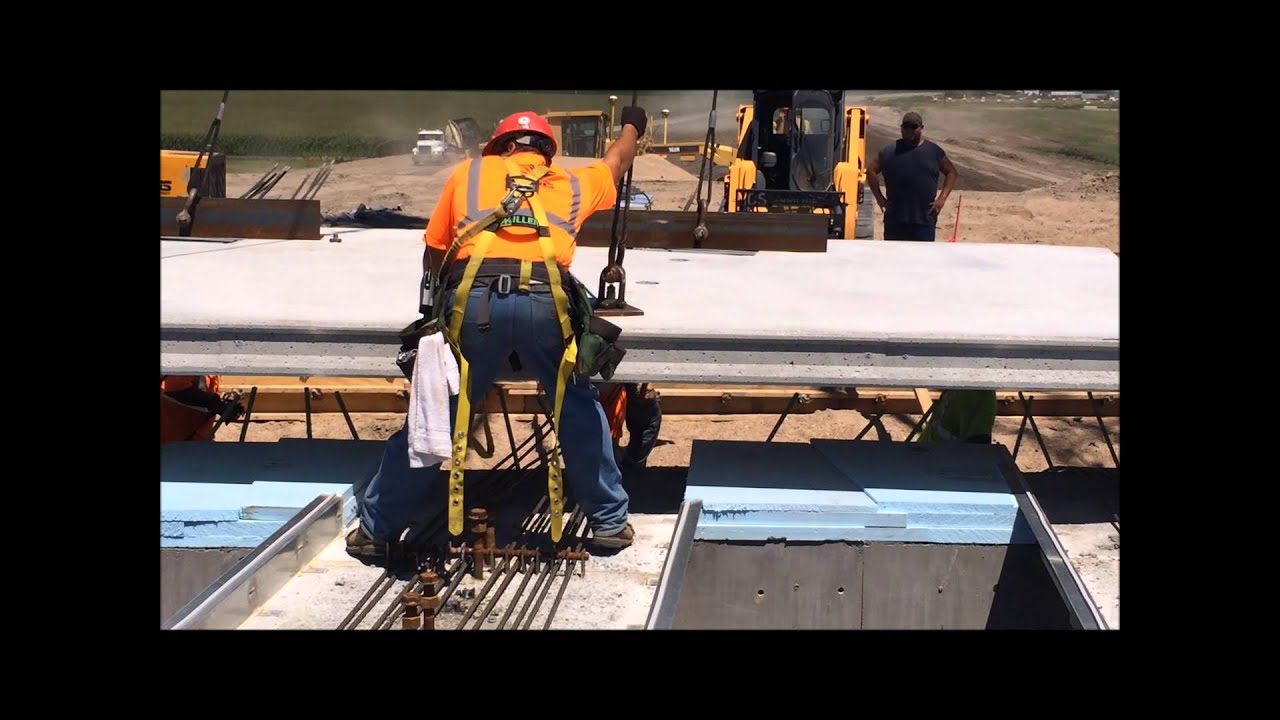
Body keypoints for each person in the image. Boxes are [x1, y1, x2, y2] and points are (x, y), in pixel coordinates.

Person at [347, 107, 649, 564]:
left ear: (500, 147)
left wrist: (436, 316)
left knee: (438, 412)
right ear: (546, 151)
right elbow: (617, 163)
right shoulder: (571, 182)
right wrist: (633, 126)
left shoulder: (469, 174)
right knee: (576, 410)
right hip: (547, 304)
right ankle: (608, 523)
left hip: (476, 303)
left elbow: (434, 253)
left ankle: (377, 529)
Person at [866, 111, 958, 242]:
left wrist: (942, 199)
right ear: (901, 128)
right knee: (894, 258)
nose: (909, 130)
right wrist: (880, 198)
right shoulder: (889, 151)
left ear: (921, 128)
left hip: (924, 220)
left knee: (921, 259)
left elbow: (951, 172)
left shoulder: (933, 151)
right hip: (895, 219)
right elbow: (871, 171)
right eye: (906, 127)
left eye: (913, 127)